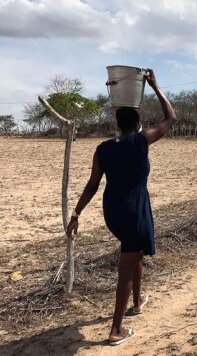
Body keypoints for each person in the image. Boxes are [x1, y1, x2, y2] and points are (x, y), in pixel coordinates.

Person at [67, 69, 176, 346]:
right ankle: (116, 329)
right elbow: (171, 118)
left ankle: (138, 301)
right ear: (138, 123)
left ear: (117, 125)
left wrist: (76, 213)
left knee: (135, 253)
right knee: (127, 264)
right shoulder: (141, 141)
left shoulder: (103, 148)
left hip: (113, 210)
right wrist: (155, 85)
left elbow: (92, 185)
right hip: (134, 210)